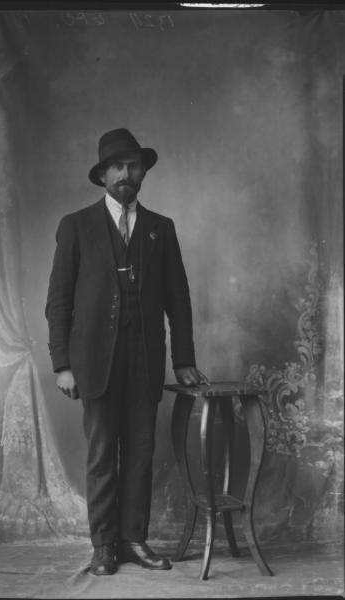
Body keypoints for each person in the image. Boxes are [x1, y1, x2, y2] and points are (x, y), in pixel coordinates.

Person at [45, 128, 208, 576]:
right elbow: (58, 300)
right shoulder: (75, 226)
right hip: (94, 364)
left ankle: (134, 539)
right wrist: (62, 364)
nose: (126, 173)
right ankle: (103, 546)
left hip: (145, 361)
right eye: (117, 166)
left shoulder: (161, 228)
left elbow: (179, 299)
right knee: (101, 455)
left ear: (142, 173)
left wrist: (184, 360)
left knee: (140, 452)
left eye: (133, 165)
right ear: (102, 175)